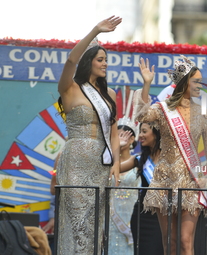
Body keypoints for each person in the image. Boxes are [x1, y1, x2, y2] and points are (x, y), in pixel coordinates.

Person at [133, 56, 207, 255]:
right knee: (170, 242)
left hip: (190, 180)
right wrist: (147, 84)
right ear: (183, 83)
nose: (200, 86)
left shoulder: (203, 113)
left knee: (186, 242)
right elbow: (141, 117)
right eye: (196, 81)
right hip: (164, 180)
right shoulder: (162, 109)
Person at [56, 15, 122, 254]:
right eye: (100, 59)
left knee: (96, 225)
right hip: (75, 163)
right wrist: (96, 30)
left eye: (106, 60)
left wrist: (115, 163)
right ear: (89, 62)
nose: (105, 64)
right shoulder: (70, 88)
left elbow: (113, 134)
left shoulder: (110, 95)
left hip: (100, 165)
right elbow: (71, 59)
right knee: (77, 224)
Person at [120, 122, 163, 255]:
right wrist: (117, 148)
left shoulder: (170, 160)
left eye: (144, 131)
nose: (140, 136)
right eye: (140, 132)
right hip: (142, 216)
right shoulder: (140, 159)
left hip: (162, 215)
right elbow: (113, 170)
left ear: (156, 133)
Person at [108, 118, 141, 255]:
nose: (118, 138)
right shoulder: (107, 163)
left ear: (132, 139)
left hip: (131, 214)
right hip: (110, 216)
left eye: (122, 135)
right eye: (116, 136)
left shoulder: (138, 161)